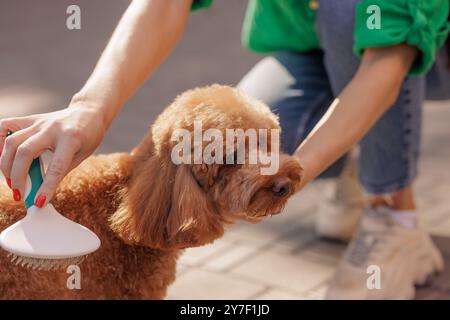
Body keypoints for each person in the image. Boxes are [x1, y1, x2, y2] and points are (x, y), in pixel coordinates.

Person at [0, 0, 449, 299]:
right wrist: (90, 107)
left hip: (413, 44)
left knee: (348, 11)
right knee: (252, 132)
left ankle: (395, 211)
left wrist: (289, 176)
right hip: (308, 48)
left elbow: (386, 65)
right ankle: (355, 160)